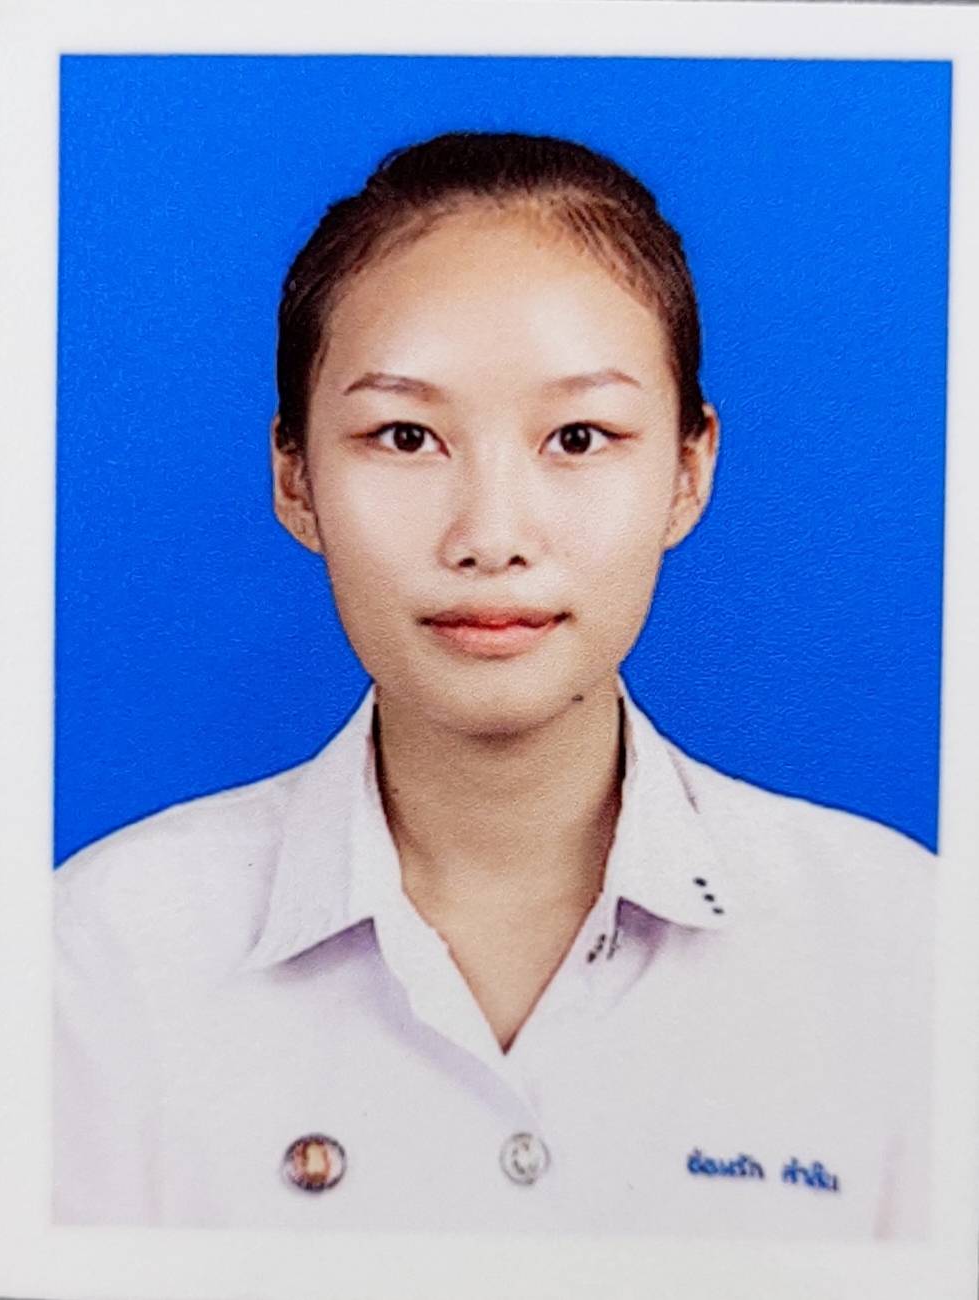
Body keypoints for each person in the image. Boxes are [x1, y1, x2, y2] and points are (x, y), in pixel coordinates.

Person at [53, 131, 934, 1236]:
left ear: (687, 470)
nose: (490, 535)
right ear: (295, 478)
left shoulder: (907, 948)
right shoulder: (102, 958)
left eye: (578, 436)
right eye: (404, 435)